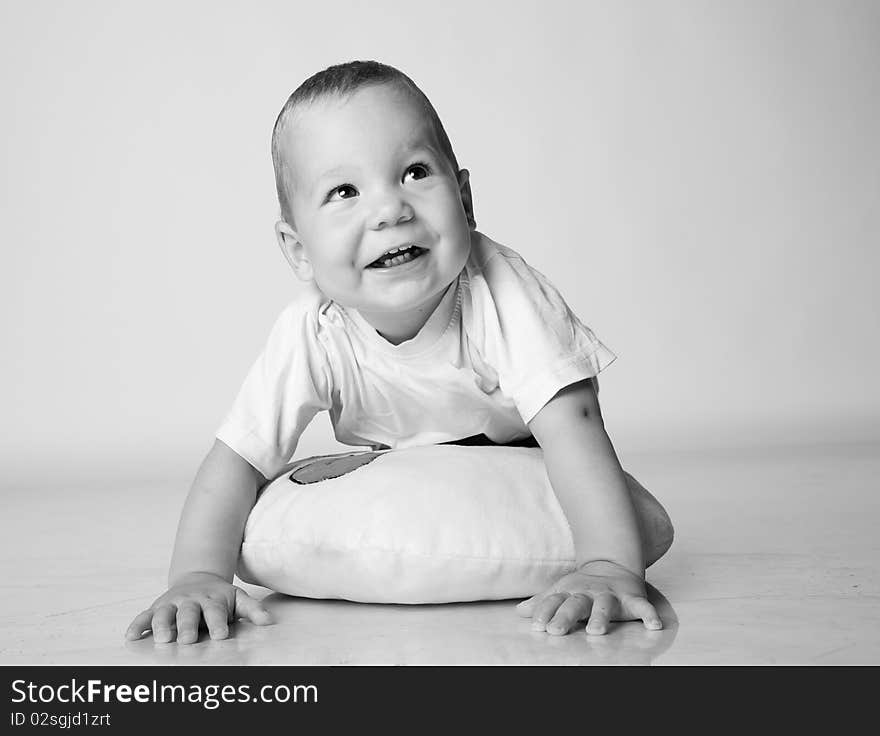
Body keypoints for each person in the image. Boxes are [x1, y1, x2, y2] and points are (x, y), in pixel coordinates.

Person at [125, 60, 669, 645]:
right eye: (344, 191)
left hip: (519, 456)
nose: (390, 210)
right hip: (404, 466)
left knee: (616, 509)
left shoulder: (501, 292)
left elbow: (573, 424)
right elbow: (235, 459)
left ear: (464, 198)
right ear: (298, 249)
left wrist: (608, 564)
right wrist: (199, 574)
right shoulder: (314, 329)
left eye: (414, 172)